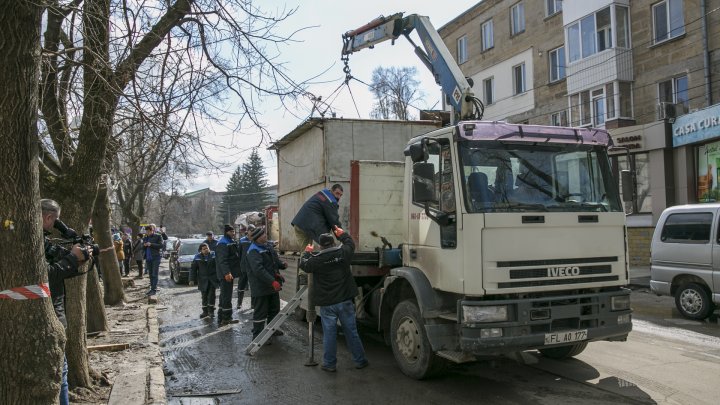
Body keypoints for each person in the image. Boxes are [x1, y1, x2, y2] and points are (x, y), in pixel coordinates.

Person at [299, 226, 368, 372]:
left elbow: (304, 265)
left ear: (320, 246)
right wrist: (342, 234)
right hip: (344, 301)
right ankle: (360, 361)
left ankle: (329, 364)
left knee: (329, 334)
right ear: (333, 243)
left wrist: (307, 252)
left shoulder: (316, 260)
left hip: (327, 304)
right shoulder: (343, 253)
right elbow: (350, 243)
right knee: (351, 331)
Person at [41, 199, 88, 404]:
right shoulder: (34, 241)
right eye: (55, 220)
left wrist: (75, 258)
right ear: (49, 217)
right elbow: (47, 275)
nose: (55, 225)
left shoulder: (39, 239)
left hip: (52, 314)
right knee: (60, 374)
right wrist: (71, 259)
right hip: (49, 317)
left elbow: (56, 268)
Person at [245, 226, 286, 341]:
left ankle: (272, 330)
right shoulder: (253, 250)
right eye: (263, 235)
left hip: (271, 285)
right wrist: (272, 281)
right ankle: (258, 337)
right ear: (258, 238)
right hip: (261, 287)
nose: (265, 236)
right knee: (261, 313)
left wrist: (279, 270)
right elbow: (258, 270)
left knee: (274, 309)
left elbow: (272, 263)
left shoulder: (266, 246)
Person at [215, 224, 241, 325]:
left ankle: (221, 315)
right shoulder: (223, 243)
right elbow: (222, 260)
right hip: (225, 274)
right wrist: (227, 273)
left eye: (234, 231)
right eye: (231, 232)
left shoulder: (230, 241)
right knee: (226, 296)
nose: (233, 233)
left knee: (224, 295)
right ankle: (226, 318)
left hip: (229, 273)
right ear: (226, 232)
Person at [189, 243, 219, 319]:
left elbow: (218, 266)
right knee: (204, 296)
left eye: (207, 248)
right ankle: (205, 312)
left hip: (212, 279)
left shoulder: (214, 255)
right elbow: (193, 269)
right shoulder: (197, 257)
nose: (206, 250)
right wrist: (191, 279)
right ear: (200, 250)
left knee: (211, 296)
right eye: (204, 249)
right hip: (202, 280)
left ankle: (211, 311)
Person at [143, 224, 164, 296]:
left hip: (156, 257)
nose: (147, 233)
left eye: (149, 231)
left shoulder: (158, 236)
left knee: (154, 274)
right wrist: (144, 245)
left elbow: (161, 245)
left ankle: (154, 290)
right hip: (148, 258)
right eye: (146, 231)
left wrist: (151, 244)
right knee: (150, 274)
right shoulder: (146, 237)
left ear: (152, 230)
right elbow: (143, 246)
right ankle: (152, 288)